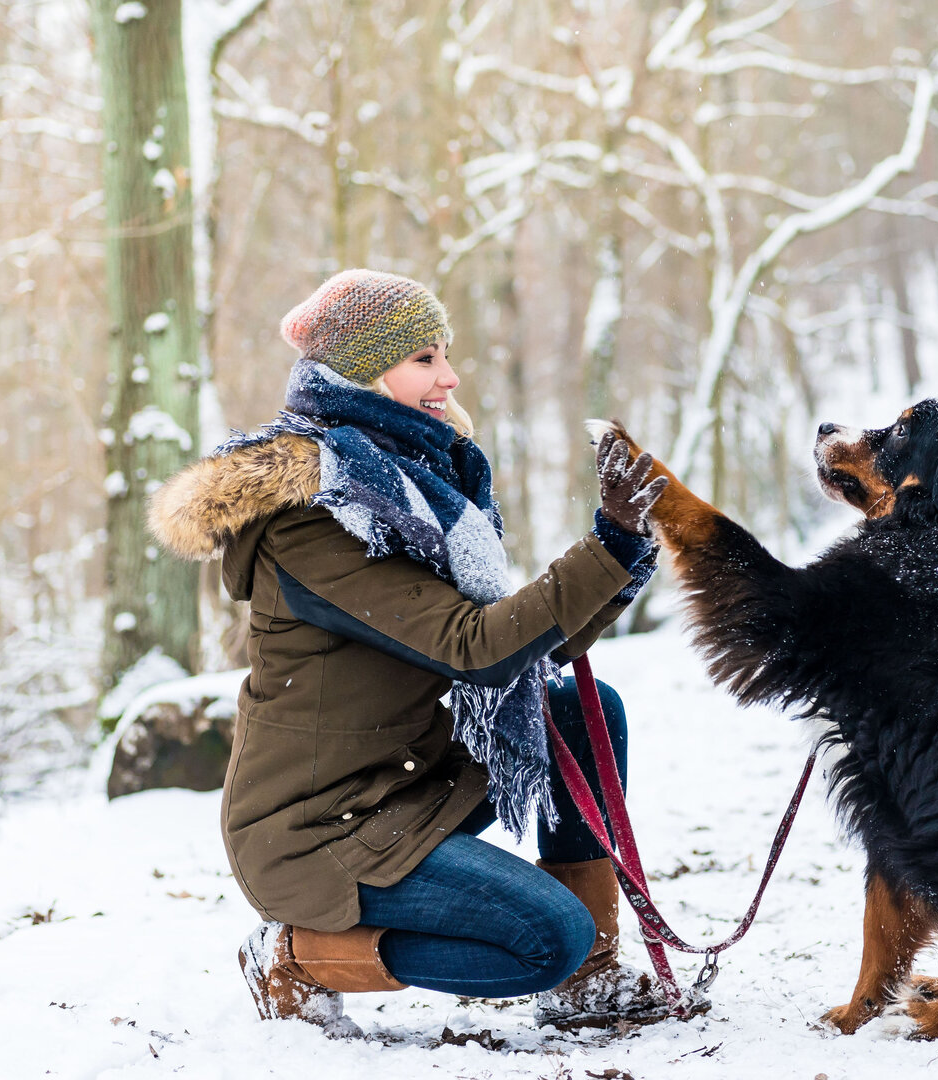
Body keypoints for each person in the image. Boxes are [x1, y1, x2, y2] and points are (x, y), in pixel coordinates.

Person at [148, 269, 682, 1034]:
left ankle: (587, 986)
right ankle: (296, 954)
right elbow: (475, 649)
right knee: (545, 940)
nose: (450, 376)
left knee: (579, 709)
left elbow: (520, 654)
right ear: (364, 372)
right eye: (425, 358)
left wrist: (622, 555)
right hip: (320, 831)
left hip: (408, 783)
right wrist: (602, 545)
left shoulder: (408, 487)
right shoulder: (315, 518)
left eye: (445, 355)